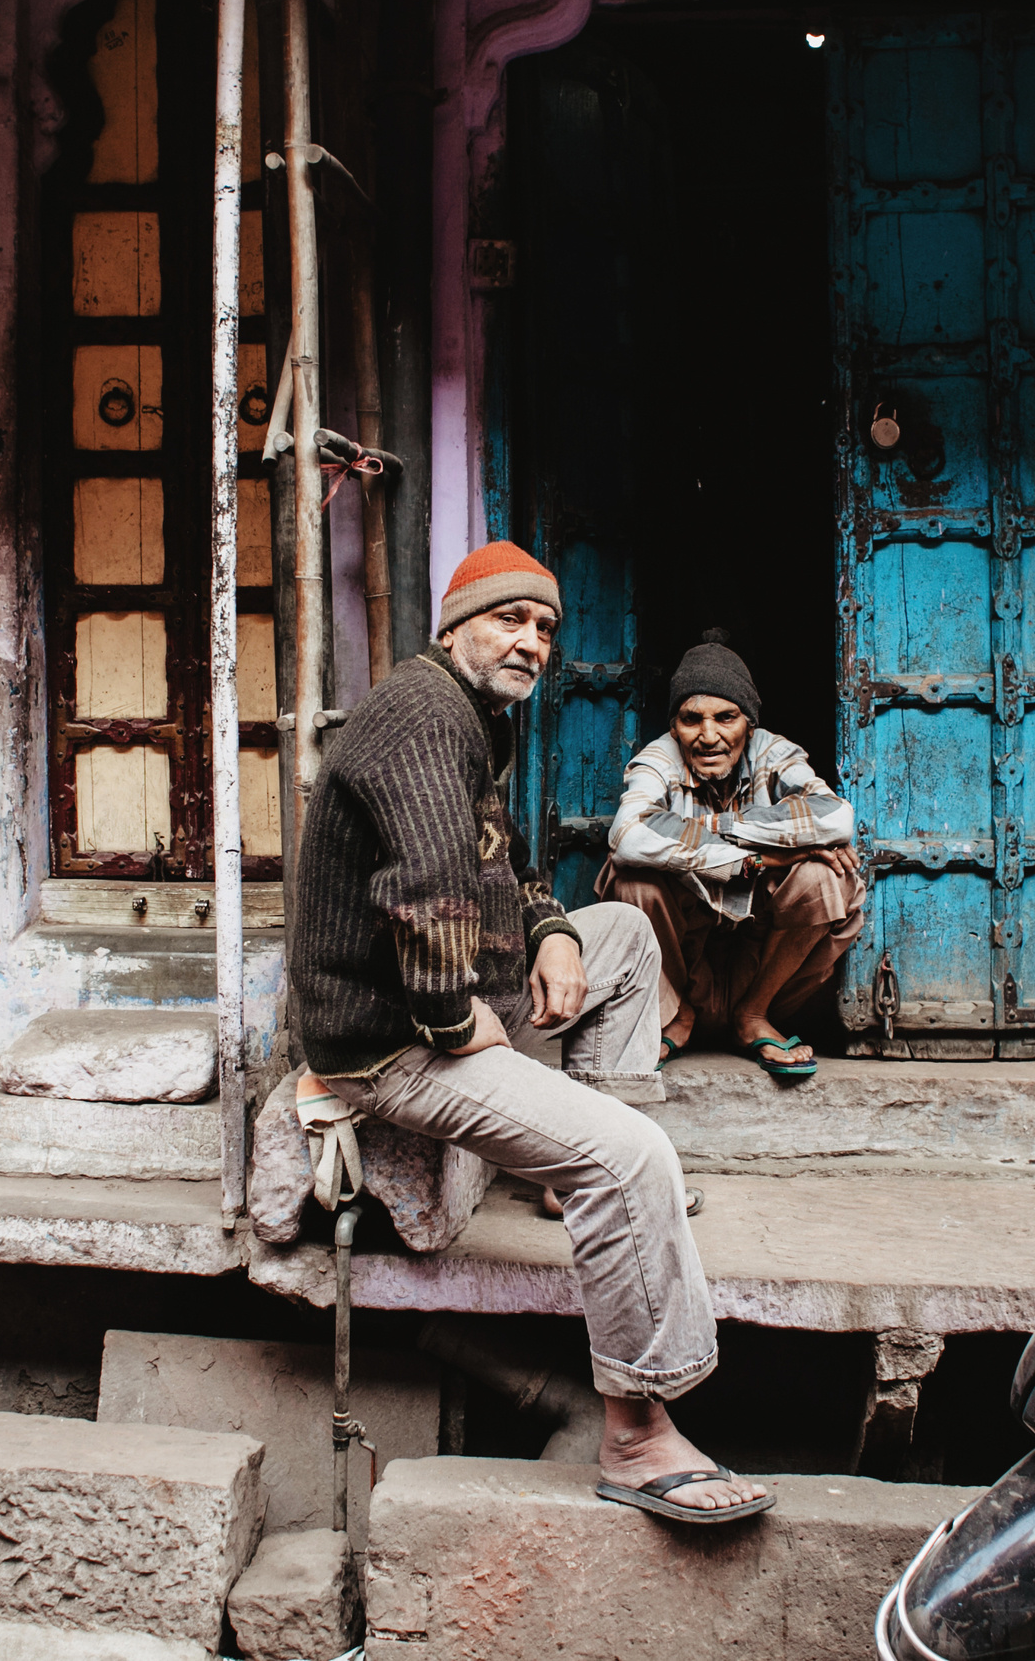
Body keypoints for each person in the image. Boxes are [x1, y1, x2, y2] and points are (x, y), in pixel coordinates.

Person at [289, 541, 771, 1525]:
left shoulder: (468, 717)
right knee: (628, 1157)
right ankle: (637, 1436)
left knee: (624, 934)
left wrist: (551, 932)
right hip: (395, 1042)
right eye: (509, 619)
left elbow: (500, 867)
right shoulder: (422, 717)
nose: (531, 641)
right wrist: (463, 1027)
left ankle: (574, 1175)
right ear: (454, 626)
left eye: (545, 627)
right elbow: (421, 902)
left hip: (475, 994)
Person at [599, 633, 864, 1079]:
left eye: (726, 718)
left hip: (762, 970)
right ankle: (674, 1017)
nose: (709, 736)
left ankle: (753, 1016)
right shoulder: (658, 759)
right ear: (673, 726)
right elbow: (628, 834)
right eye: (691, 719)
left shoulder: (771, 751)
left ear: (749, 723)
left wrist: (718, 830)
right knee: (631, 880)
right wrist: (766, 856)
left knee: (823, 876)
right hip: (682, 968)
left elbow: (835, 818)